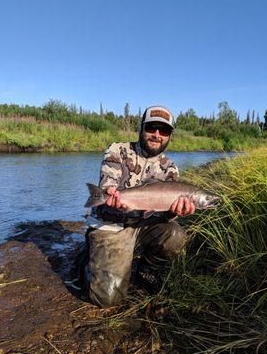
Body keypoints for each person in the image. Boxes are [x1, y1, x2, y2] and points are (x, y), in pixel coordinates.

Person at [83, 106, 196, 307]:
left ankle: (147, 269)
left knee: (176, 235)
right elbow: (108, 183)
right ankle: (87, 261)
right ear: (141, 128)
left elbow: (165, 218)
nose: (157, 135)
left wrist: (174, 212)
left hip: (145, 226)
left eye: (164, 131)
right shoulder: (118, 150)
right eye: (152, 128)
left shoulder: (170, 168)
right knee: (106, 299)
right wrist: (109, 194)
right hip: (112, 226)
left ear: (170, 135)